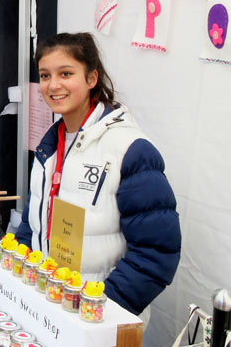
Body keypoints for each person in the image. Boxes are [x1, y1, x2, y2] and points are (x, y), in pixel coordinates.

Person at [16, 32, 181, 317]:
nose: (53, 85)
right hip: (51, 308)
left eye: (65, 73)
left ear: (91, 79)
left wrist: (98, 309)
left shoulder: (129, 149)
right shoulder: (49, 146)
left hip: (96, 322)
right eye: (45, 75)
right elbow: (33, 225)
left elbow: (156, 252)